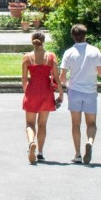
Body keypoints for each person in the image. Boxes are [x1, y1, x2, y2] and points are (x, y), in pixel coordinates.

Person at [59, 24, 101, 165]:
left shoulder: (69, 52)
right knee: (91, 123)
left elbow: (62, 76)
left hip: (74, 91)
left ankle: (78, 154)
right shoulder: (94, 51)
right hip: (90, 91)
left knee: (75, 124)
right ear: (86, 35)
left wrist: (67, 86)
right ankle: (90, 142)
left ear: (72, 36)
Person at [21, 31, 63, 164]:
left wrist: (27, 93)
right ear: (43, 41)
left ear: (32, 41)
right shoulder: (51, 57)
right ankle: (40, 153)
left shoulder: (27, 58)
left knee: (29, 124)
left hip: (32, 92)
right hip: (46, 93)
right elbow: (57, 77)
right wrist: (61, 94)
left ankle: (31, 143)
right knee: (42, 124)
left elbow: (24, 80)